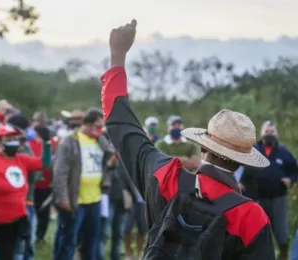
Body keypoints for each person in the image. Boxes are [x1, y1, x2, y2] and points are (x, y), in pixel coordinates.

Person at [101, 19, 275, 259]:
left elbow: (122, 125)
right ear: (244, 160)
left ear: (203, 144)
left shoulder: (166, 178)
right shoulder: (251, 216)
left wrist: (117, 56)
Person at [0, 124, 50, 260]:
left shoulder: (21, 159)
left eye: (15, 137)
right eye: (8, 138)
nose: (13, 141)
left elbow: (44, 164)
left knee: (18, 255)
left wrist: (46, 142)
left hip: (18, 220)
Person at [53, 108, 113, 260]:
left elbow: (107, 163)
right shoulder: (70, 142)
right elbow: (60, 172)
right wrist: (62, 197)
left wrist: (113, 161)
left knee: (91, 241)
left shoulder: (100, 141)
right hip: (74, 200)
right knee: (68, 241)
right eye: (98, 126)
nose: (100, 130)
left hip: (95, 199)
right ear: (87, 124)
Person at [252, 121, 298, 260]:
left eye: (272, 132)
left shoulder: (284, 152)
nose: (269, 134)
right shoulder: (253, 150)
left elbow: (294, 171)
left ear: (276, 134)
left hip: (279, 198)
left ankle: (283, 256)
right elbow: (241, 170)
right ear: (261, 133)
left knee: (281, 232)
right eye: (267, 132)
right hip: (256, 198)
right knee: (257, 233)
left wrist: (290, 179)